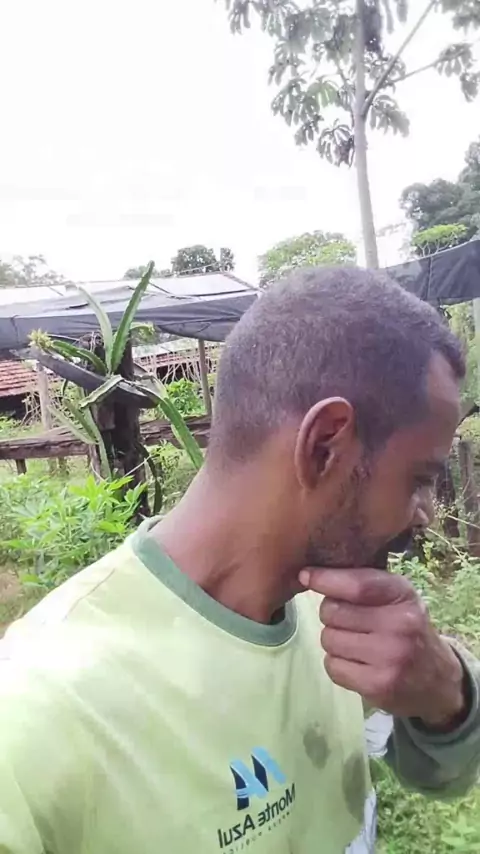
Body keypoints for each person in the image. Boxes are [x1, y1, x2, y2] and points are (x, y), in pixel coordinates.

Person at [1, 267, 480, 854]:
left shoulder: (338, 616)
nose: (425, 513)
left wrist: (446, 693)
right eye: (419, 479)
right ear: (324, 446)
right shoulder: (35, 708)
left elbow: (440, 771)